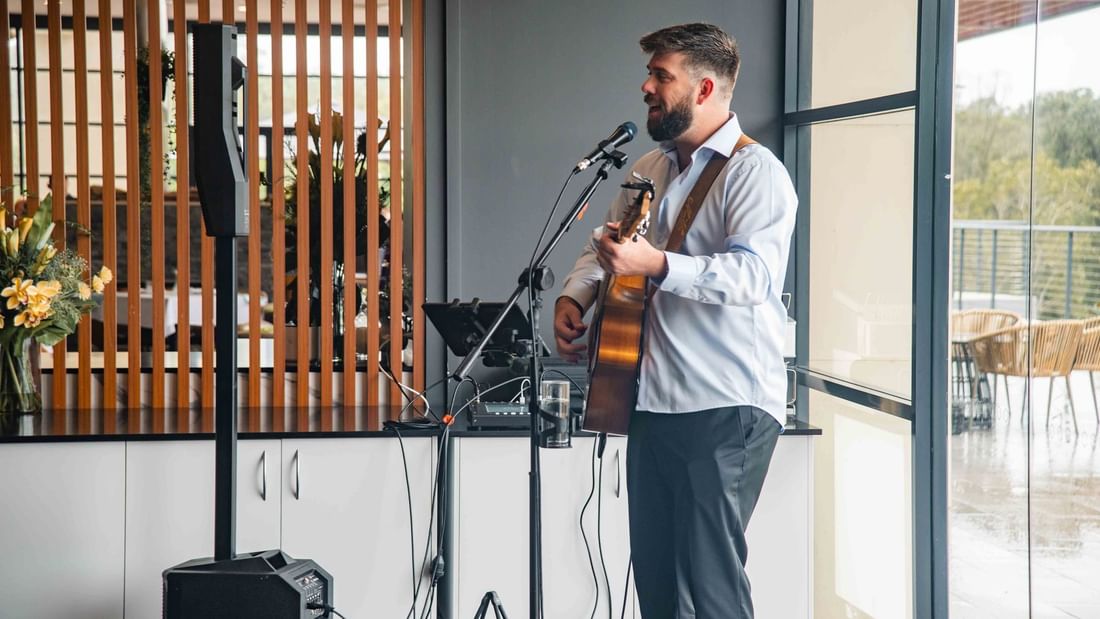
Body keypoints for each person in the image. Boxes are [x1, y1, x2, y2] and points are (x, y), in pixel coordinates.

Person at [554, 23, 798, 619]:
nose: (646, 86)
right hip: (654, 404)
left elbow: (752, 278)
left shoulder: (755, 173)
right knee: (659, 591)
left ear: (706, 87)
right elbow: (604, 245)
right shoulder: (651, 168)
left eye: (662, 76)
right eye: (651, 74)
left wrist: (656, 264)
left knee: (711, 589)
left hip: (725, 406)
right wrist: (576, 296)